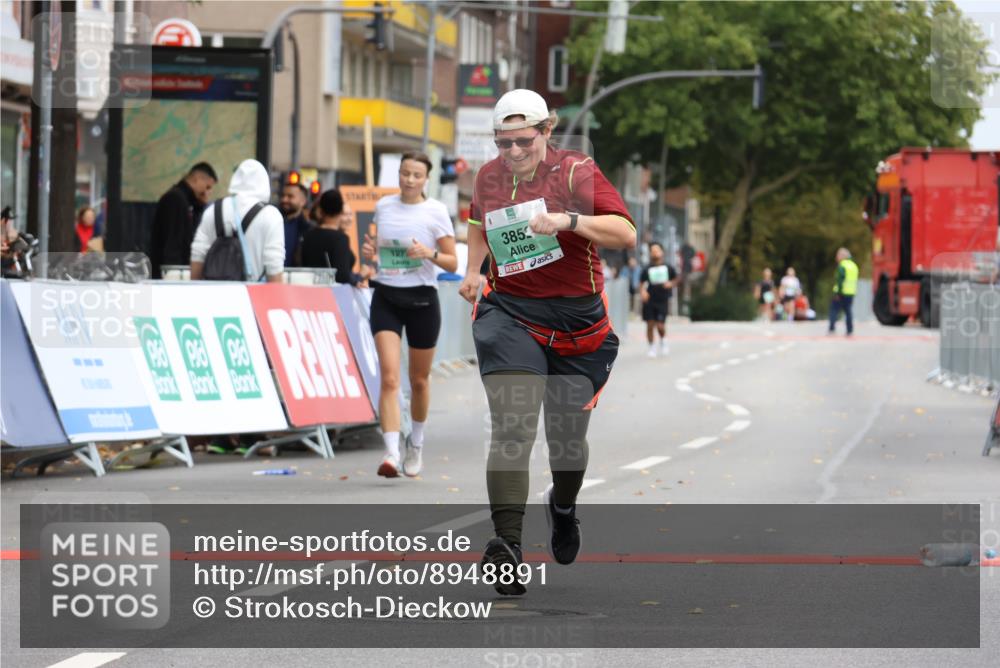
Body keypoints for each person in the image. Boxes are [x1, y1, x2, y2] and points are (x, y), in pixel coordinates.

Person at [457, 89, 636, 595]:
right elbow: (477, 224)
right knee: (513, 426)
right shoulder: (488, 177)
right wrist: (473, 271)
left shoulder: (576, 172)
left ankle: (562, 506)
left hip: (578, 326)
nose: (512, 152)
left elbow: (625, 233)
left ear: (547, 130)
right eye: (503, 142)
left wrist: (568, 221)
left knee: (567, 443)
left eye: (523, 141)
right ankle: (507, 546)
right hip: (510, 315)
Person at [360, 151, 458, 479]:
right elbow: (379, 250)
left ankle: (415, 444)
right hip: (386, 295)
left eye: (416, 175)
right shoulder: (384, 206)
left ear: (426, 179)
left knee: (418, 380)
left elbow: (452, 262)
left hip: (422, 301)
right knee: (389, 377)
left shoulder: (436, 211)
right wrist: (371, 253)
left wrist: (428, 253)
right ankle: (390, 452)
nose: (409, 180)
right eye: (405, 173)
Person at [189, 159, 285, 283]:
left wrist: (195, 289)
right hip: (251, 296)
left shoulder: (212, 210)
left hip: (212, 294)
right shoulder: (271, 215)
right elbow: (274, 264)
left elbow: (198, 253)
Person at [151, 162, 217, 278]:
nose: (208, 192)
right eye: (207, 187)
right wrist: (173, 274)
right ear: (197, 179)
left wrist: (201, 205)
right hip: (173, 271)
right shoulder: (175, 199)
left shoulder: (187, 201)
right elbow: (173, 242)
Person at [301, 189, 365, 285]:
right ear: (340, 210)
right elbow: (342, 276)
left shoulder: (308, 235)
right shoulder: (340, 238)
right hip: (331, 295)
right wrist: (360, 276)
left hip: (309, 290)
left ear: (321, 209)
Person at [640, 242, 679, 357]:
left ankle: (663, 340)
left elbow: (676, 279)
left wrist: (671, 284)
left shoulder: (668, 267)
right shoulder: (647, 269)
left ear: (662, 252)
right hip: (649, 300)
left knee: (660, 325)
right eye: (652, 251)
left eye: (657, 250)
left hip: (663, 300)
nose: (655, 253)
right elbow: (641, 283)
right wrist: (643, 292)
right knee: (650, 325)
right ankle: (651, 347)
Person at [279, 182, 313, 267]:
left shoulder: (309, 228)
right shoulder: (272, 222)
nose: (284, 200)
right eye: (283, 196)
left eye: (290, 196)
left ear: (303, 201)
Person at [828, 247, 859, 336]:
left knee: (834, 310)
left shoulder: (842, 265)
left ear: (843, 256)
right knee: (848, 311)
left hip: (841, 292)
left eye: (838, 255)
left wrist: (838, 293)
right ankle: (850, 330)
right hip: (851, 292)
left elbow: (840, 280)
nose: (836, 257)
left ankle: (832, 329)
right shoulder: (854, 266)